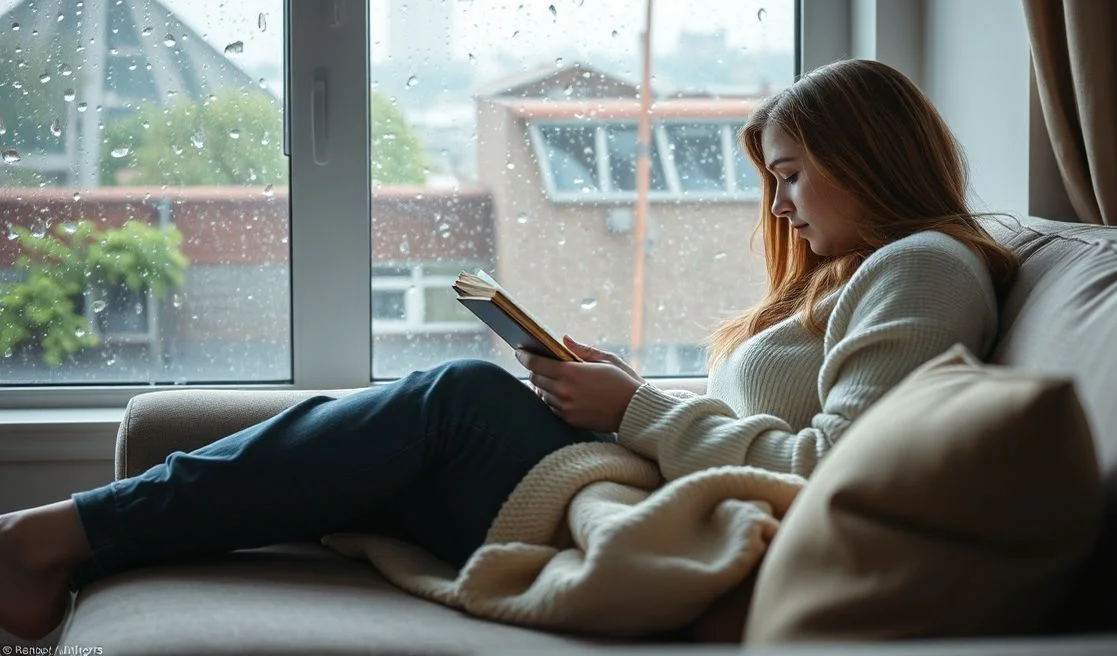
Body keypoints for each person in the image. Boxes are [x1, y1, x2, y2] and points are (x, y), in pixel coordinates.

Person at [0, 59, 1018, 641]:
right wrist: (624, 396)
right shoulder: (853, 275)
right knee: (372, 438)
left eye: (791, 175)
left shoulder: (924, 266)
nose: (781, 206)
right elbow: (765, 430)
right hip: (659, 495)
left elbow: (834, 469)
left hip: (713, 541)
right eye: (775, 181)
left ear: (866, 158)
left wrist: (634, 410)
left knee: (452, 398)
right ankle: (76, 543)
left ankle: (52, 538)